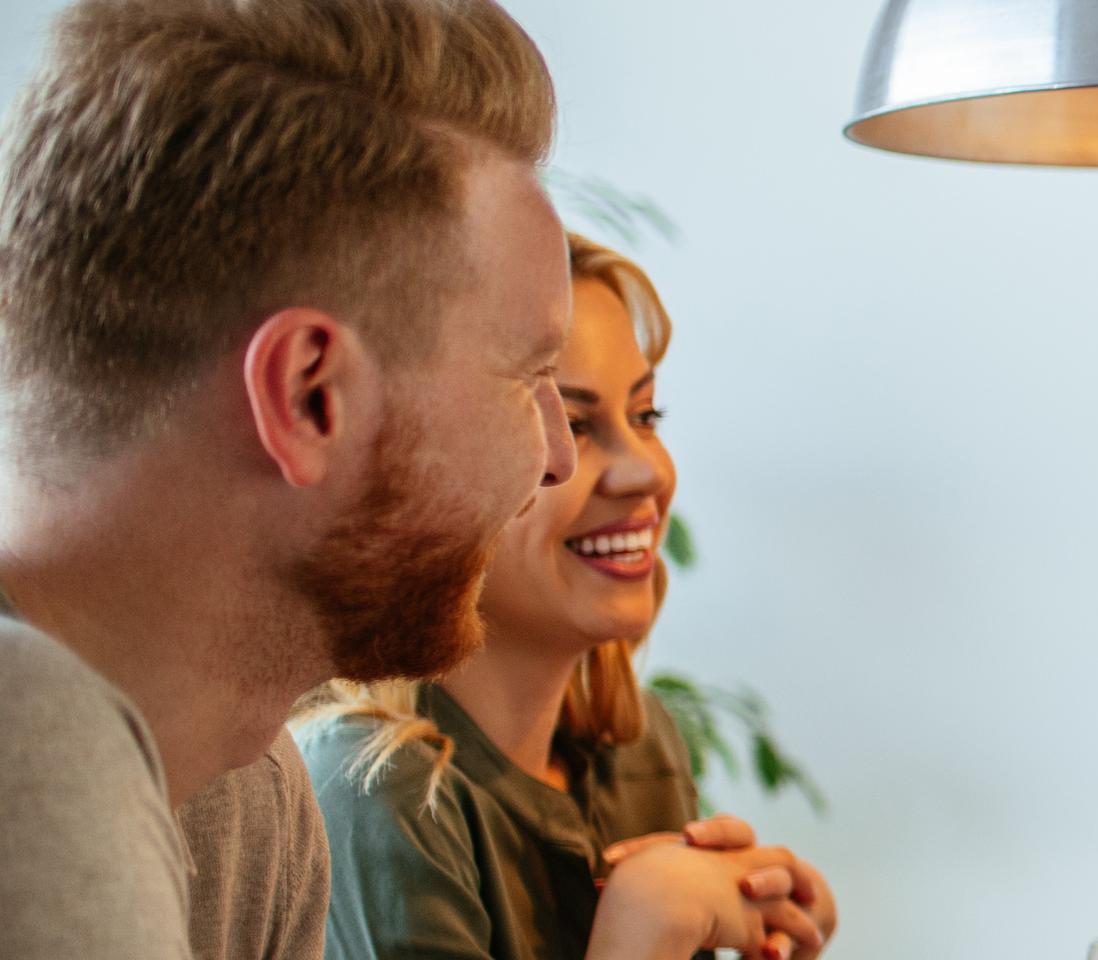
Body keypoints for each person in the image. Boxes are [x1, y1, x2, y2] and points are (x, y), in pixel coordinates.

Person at [0, 2, 809, 958]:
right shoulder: (28, 740)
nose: (552, 456)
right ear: (311, 398)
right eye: (528, 379)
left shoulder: (253, 805)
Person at [299, 234, 840, 960]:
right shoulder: (375, 789)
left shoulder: (640, 749)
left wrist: (752, 917)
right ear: (412, 472)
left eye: (646, 417)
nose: (644, 473)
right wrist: (645, 929)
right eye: (577, 427)